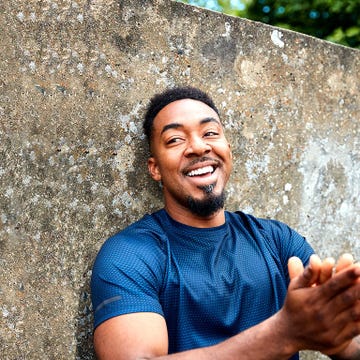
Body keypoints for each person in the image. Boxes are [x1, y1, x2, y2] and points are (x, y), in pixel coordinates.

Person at [91, 86, 360, 360]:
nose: (198, 146)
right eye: (174, 140)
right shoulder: (129, 255)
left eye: (210, 133)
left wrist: (336, 336)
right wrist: (283, 334)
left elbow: (343, 340)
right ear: (155, 168)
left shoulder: (279, 241)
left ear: (227, 150)